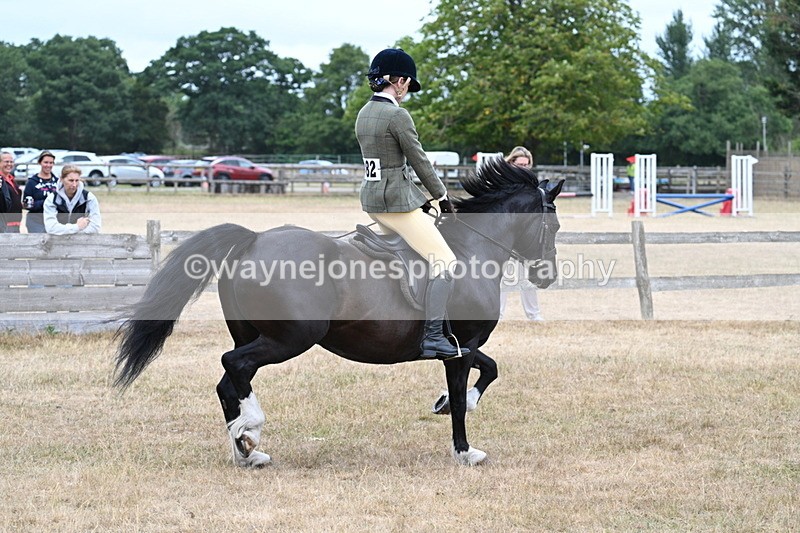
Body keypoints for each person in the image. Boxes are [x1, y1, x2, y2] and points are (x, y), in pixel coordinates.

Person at [355, 47, 467, 360]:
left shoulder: (364, 113)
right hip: (395, 206)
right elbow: (418, 161)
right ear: (400, 81)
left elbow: (389, 167)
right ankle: (433, 337)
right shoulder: (397, 115)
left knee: (415, 255)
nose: (407, 90)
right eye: (407, 84)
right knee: (445, 261)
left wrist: (419, 200)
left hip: (373, 201)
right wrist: (441, 196)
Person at [499, 146, 544, 321]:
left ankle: (534, 314)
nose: (524, 168)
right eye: (520, 165)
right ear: (511, 163)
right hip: (504, 236)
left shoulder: (532, 185)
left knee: (528, 277)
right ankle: (498, 314)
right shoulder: (502, 182)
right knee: (502, 277)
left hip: (524, 237)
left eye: (526, 165)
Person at [43, 165, 102, 234]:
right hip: (57, 240)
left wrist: (71, 234)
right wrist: (77, 227)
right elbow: (51, 228)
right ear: (62, 179)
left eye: (77, 180)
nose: (74, 184)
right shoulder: (51, 199)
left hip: (83, 240)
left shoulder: (89, 198)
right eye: (71, 180)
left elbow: (95, 227)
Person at [23, 150, 59, 233]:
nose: (48, 165)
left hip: (54, 220)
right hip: (36, 221)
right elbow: (26, 205)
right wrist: (46, 202)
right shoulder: (32, 182)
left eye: (51, 163)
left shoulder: (58, 182)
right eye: (46, 162)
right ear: (40, 163)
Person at [0, 151, 23, 233]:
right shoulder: (0, 181)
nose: (9, 164)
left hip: (16, 222)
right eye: (6, 162)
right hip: (4, 224)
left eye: (11, 162)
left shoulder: (11, 179)